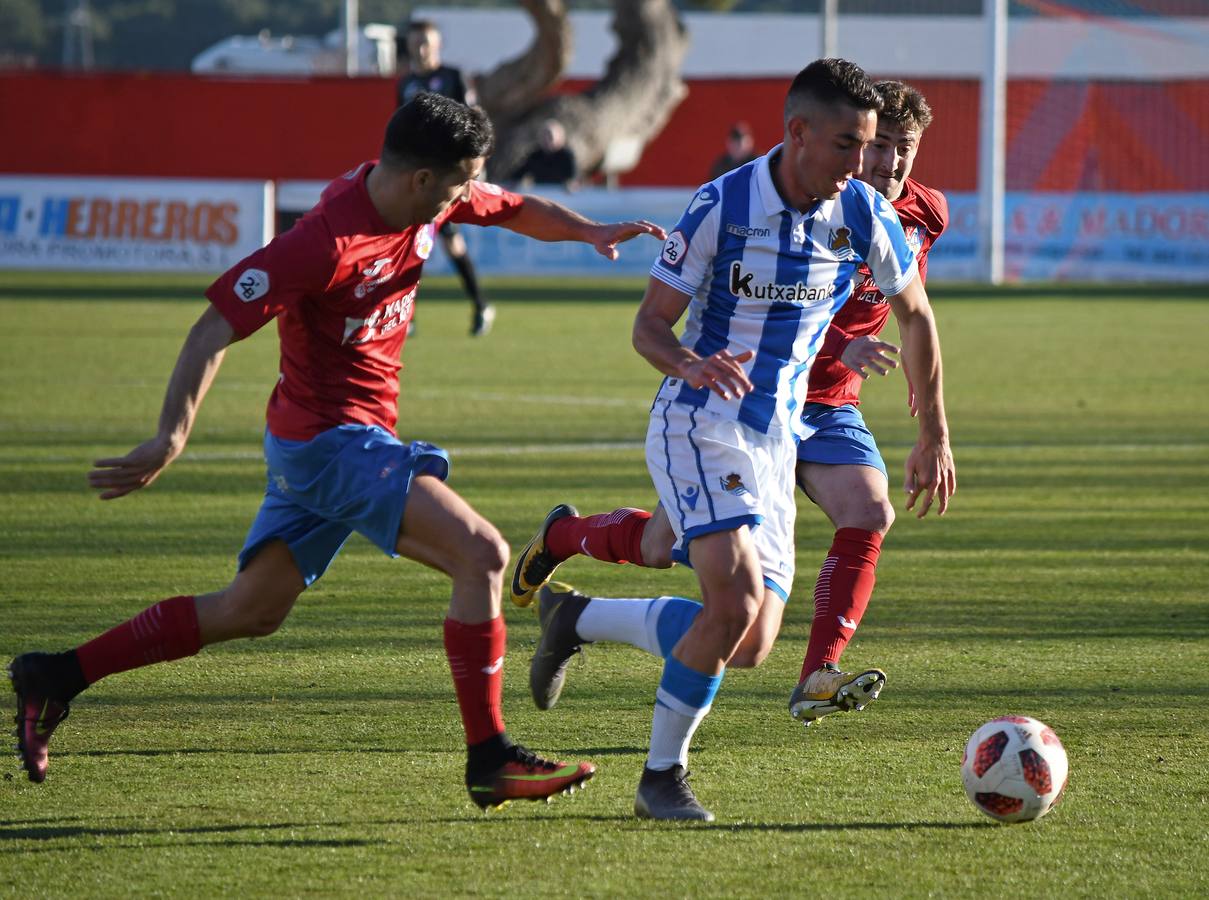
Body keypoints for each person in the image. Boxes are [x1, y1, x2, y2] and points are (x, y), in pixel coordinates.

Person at [7, 94, 665, 813]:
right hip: (330, 445)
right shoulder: (323, 243)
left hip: (322, 444)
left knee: (249, 610)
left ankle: (55, 675)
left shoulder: (427, 199)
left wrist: (589, 230)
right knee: (481, 554)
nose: (465, 198)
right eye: (458, 186)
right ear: (420, 178)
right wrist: (171, 434)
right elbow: (212, 327)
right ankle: (490, 759)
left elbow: (510, 208)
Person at [515, 61, 955, 822]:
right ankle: (661, 779)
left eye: (870, 145)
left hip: (776, 440)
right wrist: (689, 362)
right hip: (700, 421)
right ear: (798, 133)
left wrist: (933, 431)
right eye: (847, 145)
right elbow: (649, 326)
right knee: (734, 599)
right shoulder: (721, 205)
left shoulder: (862, 212)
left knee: (746, 642)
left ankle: (576, 617)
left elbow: (915, 312)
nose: (861, 164)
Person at [396, 19, 495, 337]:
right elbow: (401, 133)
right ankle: (408, 316)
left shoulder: (452, 77)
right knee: (415, 244)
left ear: (437, 45)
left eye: (426, 42)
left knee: (437, 245)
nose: (421, 49)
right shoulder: (406, 84)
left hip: (449, 178)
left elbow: (475, 124)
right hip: (419, 179)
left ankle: (477, 306)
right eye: (416, 42)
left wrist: (475, 171)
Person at [512, 120, 578, 190]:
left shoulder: (567, 156)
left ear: (559, 137)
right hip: (540, 193)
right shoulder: (535, 156)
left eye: (550, 136)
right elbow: (517, 175)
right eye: (543, 136)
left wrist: (570, 185)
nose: (546, 140)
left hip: (559, 194)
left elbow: (573, 180)